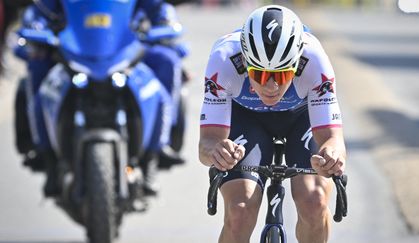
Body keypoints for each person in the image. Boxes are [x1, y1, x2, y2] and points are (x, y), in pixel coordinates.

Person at [198, 5, 346, 243]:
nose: (271, 87)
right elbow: (207, 144)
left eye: (282, 75)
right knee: (239, 210)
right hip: (246, 117)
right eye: (260, 75)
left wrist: (332, 156)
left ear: (296, 64)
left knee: (314, 200)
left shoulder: (315, 60)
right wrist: (216, 152)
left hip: (301, 116)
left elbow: (333, 139)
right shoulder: (224, 59)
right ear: (246, 64)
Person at [14, 0, 187, 196]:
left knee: (168, 60)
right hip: (70, 52)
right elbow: (39, 11)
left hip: (126, 49)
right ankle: (46, 155)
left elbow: (158, 8)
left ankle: (156, 152)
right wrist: (35, 25)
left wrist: (165, 21)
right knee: (37, 67)